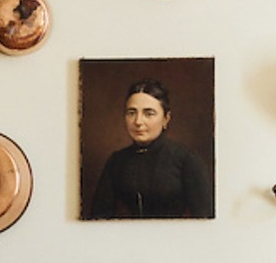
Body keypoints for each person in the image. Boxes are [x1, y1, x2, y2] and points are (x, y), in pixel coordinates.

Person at [89, 78, 213, 219]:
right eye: (131, 112)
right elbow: (98, 217)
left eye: (149, 113)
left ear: (166, 118)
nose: (138, 122)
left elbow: (205, 218)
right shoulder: (116, 161)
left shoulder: (186, 159)